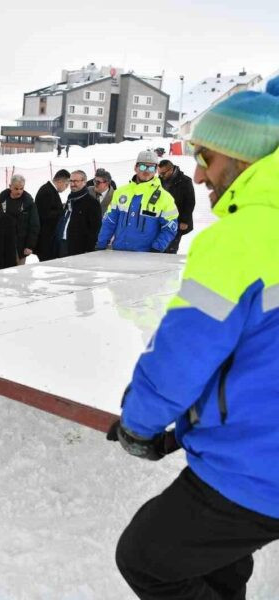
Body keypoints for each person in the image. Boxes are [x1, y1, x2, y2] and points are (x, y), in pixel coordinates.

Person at [108, 76, 279, 599]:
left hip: (256, 464)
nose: (200, 173)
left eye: (207, 156)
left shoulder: (241, 239)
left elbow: (180, 358)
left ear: (243, 158)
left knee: (146, 558)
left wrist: (139, 425)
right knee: (219, 562)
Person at [95, 150, 178, 252]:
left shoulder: (165, 197)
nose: (147, 171)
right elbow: (109, 221)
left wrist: (156, 249)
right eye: (143, 166)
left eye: (151, 167)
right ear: (135, 167)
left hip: (146, 256)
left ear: (156, 170)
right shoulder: (121, 192)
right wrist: (101, 244)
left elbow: (170, 228)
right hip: (119, 253)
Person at [53, 170, 101, 257]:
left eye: (76, 181)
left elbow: (95, 229)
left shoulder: (92, 203)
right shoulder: (70, 199)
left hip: (79, 249)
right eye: (71, 181)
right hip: (62, 244)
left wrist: (89, 249)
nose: (72, 184)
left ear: (84, 182)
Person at [0, 174, 40, 265]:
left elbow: (34, 225)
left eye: (21, 188)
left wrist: (30, 245)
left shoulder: (29, 203)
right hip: (2, 243)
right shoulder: (0, 199)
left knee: (18, 270)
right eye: (16, 188)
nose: (19, 191)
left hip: (20, 245)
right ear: (10, 186)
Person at [157, 159, 196, 254]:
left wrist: (184, 221)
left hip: (178, 222)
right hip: (161, 221)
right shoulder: (158, 181)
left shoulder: (185, 181)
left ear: (171, 169)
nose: (161, 175)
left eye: (163, 173)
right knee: (159, 248)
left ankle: (169, 268)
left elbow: (190, 202)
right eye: (159, 173)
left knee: (170, 249)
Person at [35, 169, 70, 262]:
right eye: (66, 185)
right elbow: (44, 214)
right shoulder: (47, 191)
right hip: (46, 240)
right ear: (60, 181)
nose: (66, 188)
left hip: (49, 239)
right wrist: (62, 211)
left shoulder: (50, 190)